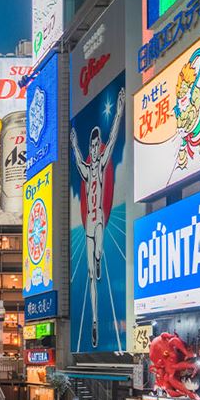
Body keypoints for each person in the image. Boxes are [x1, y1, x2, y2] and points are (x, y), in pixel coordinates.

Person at [70, 87, 126, 348]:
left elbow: (114, 137)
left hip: (99, 218)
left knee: (99, 253)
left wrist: (119, 110)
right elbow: (78, 158)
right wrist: (72, 143)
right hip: (88, 224)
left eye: (96, 143)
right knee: (91, 274)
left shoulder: (101, 163)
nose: (94, 147)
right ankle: (93, 321)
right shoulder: (86, 166)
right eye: (91, 144)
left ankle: (100, 257)